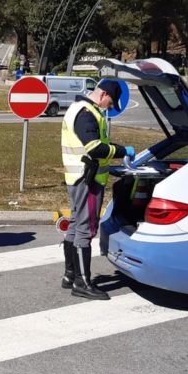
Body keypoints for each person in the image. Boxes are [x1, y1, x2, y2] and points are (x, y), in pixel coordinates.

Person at [60, 79, 134, 300]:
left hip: (77, 177)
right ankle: (82, 283)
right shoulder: (86, 113)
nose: (110, 107)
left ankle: (70, 275)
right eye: (111, 102)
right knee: (85, 229)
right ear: (103, 94)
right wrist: (123, 151)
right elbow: (95, 147)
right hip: (87, 180)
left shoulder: (78, 108)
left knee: (75, 225)